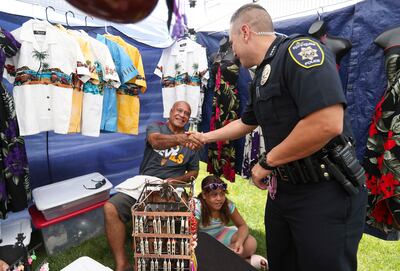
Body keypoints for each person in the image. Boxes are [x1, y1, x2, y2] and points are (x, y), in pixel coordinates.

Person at [189, 4, 367, 271]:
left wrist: (267, 162)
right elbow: (245, 123)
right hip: (284, 192)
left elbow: (326, 123)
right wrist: (204, 137)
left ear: (245, 31)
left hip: (324, 192)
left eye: (233, 40)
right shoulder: (261, 75)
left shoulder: (299, 53)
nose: (233, 52)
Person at [103, 101, 201, 271]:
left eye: (186, 113)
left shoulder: (191, 144)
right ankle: (122, 263)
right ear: (170, 112)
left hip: (172, 186)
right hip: (145, 181)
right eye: (179, 110)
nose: (182, 115)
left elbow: (194, 172)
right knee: (110, 208)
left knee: (158, 219)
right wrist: (182, 138)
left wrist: (177, 180)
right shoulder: (156, 127)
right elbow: (155, 142)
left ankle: (156, 258)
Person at [194, 175, 268, 270]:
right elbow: (192, 237)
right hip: (203, 242)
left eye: (222, 194)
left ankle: (222, 262)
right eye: (214, 194)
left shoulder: (227, 205)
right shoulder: (197, 207)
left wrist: (239, 243)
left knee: (251, 243)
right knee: (202, 255)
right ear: (204, 195)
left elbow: (242, 226)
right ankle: (247, 262)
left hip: (220, 236)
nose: (219, 198)